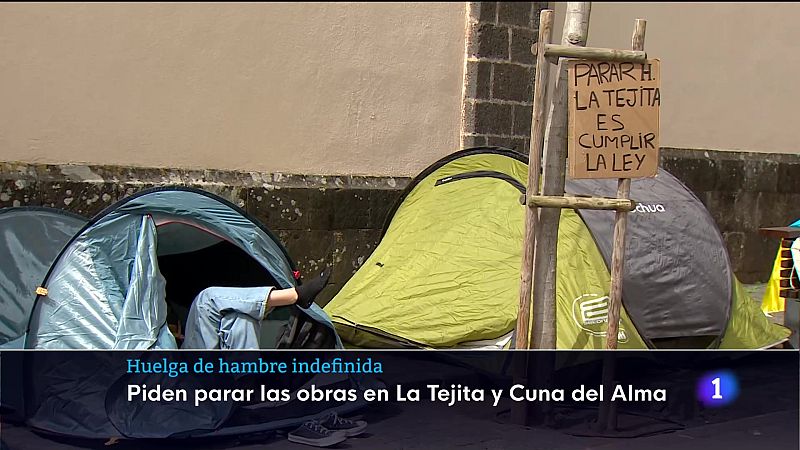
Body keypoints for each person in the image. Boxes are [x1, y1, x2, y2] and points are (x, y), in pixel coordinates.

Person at [181, 269, 331, 349]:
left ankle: (248, 385)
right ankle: (293, 296)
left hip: (219, 388)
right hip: (181, 378)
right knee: (207, 299)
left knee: (240, 319)